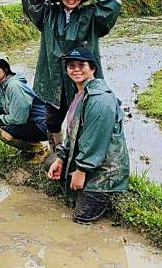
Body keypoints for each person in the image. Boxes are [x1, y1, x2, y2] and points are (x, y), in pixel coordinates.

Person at [22, 0, 121, 153]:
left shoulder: (90, 15)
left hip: (81, 76)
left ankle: (80, 157)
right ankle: (56, 153)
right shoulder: (48, 14)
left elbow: (113, 4)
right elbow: (29, 1)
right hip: (54, 75)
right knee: (52, 120)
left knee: (83, 117)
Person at [47, 47, 129, 224]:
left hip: (104, 170)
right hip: (89, 158)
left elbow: (95, 141)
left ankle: (103, 197)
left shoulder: (99, 99)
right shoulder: (80, 93)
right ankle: (77, 186)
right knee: (49, 163)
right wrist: (61, 159)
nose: (76, 69)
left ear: (92, 68)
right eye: (71, 65)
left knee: (81, 219)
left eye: (81, 65)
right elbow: (71, 133)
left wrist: (81, 170)